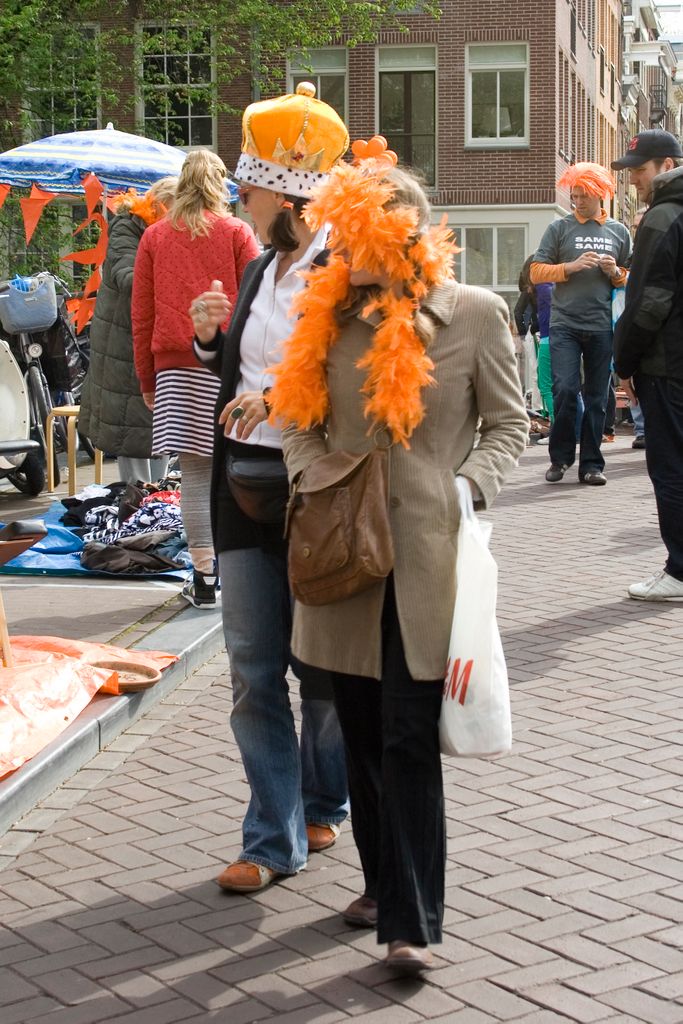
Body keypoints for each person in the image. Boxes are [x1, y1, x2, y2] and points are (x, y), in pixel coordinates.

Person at [268, 142, 529, 974]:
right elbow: (296, 420)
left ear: (401, 238)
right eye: (336, 247)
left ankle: (410, 923)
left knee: (411, 737)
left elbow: (510, 424)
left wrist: (464, 491)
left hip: (426, 559)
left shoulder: (476, 314)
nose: (340, 260)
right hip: (342, 557)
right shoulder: (325, 324)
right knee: (363, 729)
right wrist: (315, 476)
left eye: (354, 245)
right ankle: (382, 886)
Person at [188, 84, 350, 892]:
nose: (239, 203)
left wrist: (281, 399)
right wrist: (210, 336)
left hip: (314, 494)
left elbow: (349, 381)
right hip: (242, 490)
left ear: (286, 195)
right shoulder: (256, 271)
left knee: (319, 669)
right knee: (253, 668)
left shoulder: (345, 273)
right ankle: (270, 838)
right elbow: (235, 376)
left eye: (247, 192)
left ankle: (327, 796)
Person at [132, 150, 259, 609]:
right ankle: (241, 573)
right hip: (225, 366)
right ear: (221, 184)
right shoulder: (237, 232)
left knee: (195, 475)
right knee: (236, 471)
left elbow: (141, 314)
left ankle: (204, 578)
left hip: (173, 371)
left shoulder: (154, 236)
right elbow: (256, 299)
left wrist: (147, 376)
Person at [611, 129, 683, 601]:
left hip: (667, 363)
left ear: (666, 165)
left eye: (639, 169)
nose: (633, 178)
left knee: (670, 465)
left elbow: (651, 300)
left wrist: (624, 360)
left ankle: (678, 571)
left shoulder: (661, 217)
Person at [530, 162, 630, 485]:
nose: (577, 202)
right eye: (574, 196)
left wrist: (615, 273)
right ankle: (560, 459)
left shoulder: (619, 232)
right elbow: (535, 272)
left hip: (601, 326)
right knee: (565, 389)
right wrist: (569, 267)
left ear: (600, 194)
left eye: (583, 196)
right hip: (565, 325)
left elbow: (629, 278)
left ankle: (591, 464)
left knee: (599, 395)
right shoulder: (559, 229)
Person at [79, 177, 177, 485]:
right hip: (123, 342)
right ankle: (139, 499)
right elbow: (128, 276)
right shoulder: (126, 228)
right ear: (161, 206)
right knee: (131, 426)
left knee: (158, 424)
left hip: (146, 338)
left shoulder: (158, 231)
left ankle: (160, 496)